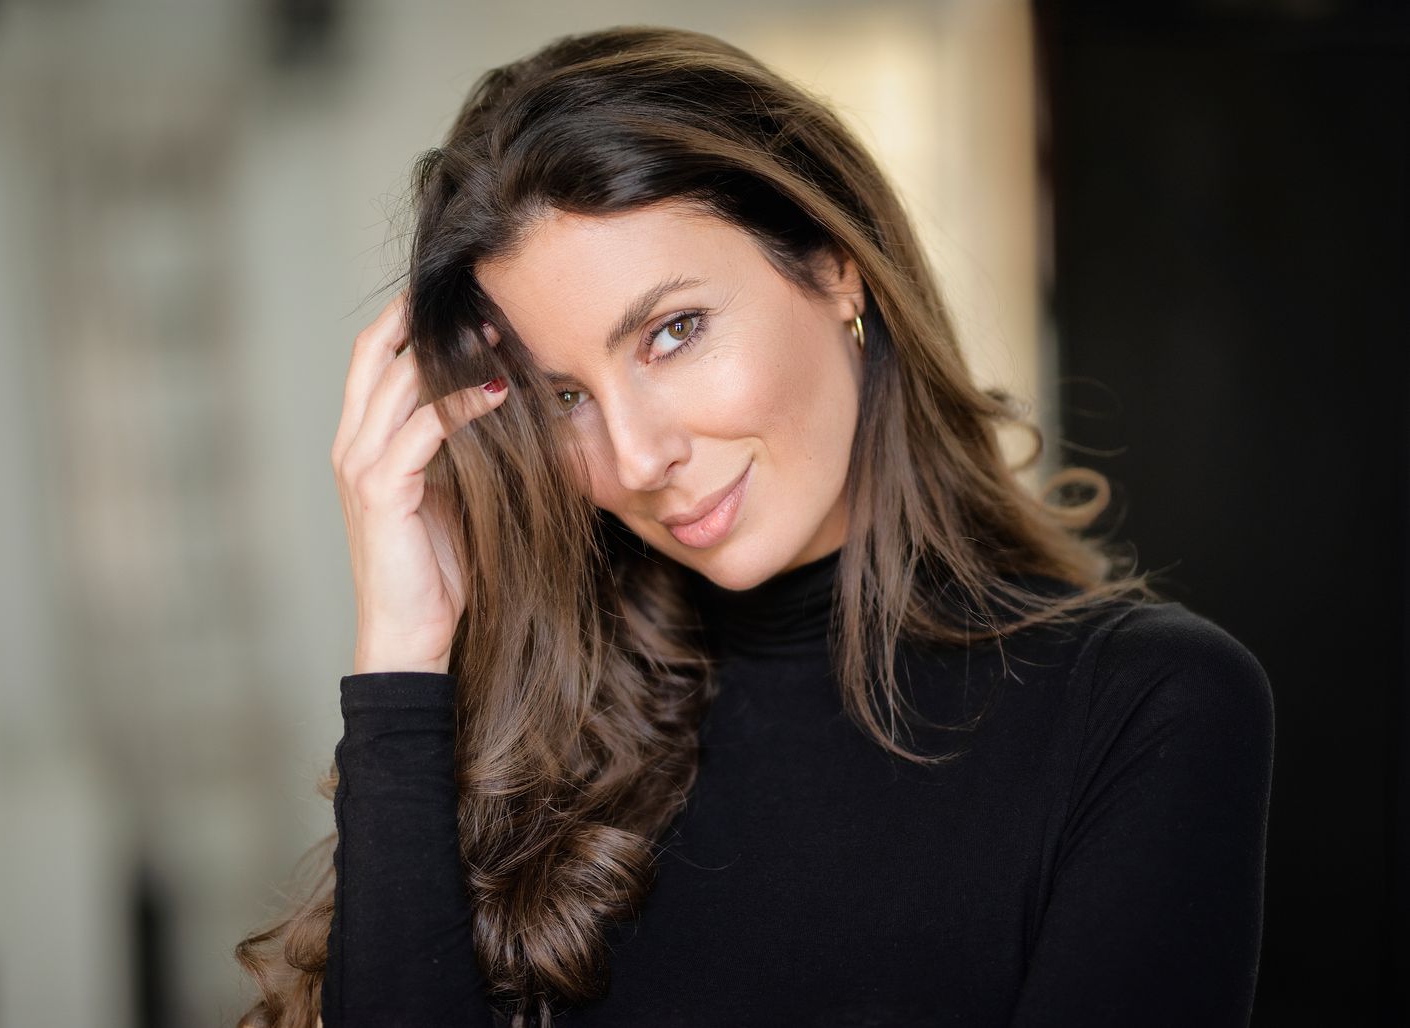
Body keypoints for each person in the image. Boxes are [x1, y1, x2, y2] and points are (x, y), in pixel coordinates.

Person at [235, 25, 1274, 1028]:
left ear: (832, 266)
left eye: (672, 332)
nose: (637, 458)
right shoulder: (538, 732)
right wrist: (403, 659)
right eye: (562, 398)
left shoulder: (1146, 707)